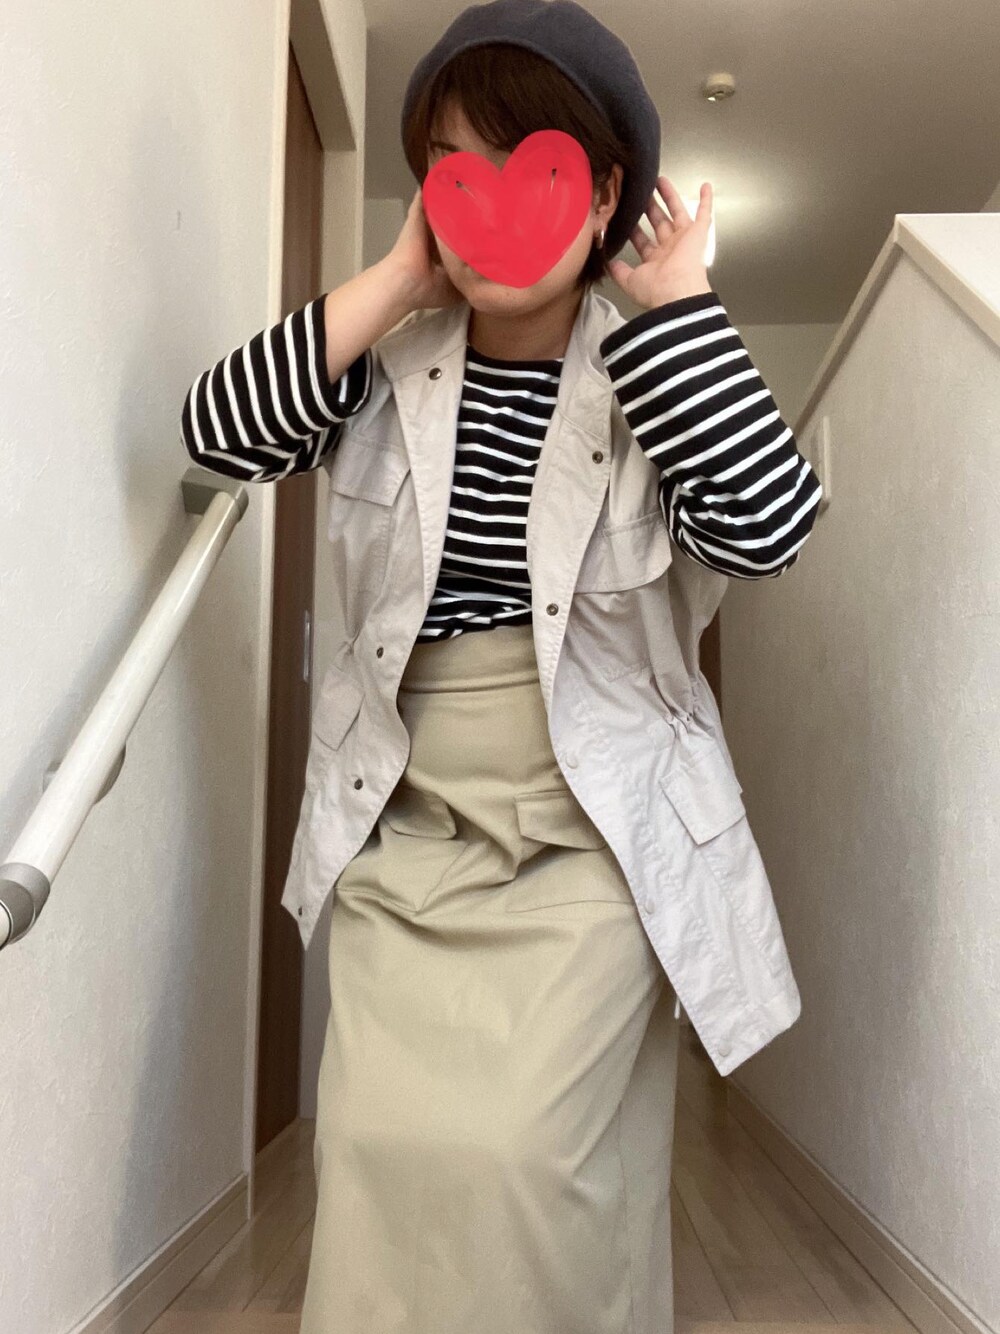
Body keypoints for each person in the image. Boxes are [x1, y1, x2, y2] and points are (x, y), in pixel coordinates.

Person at [179, 2, 823, 1329]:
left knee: (533, 1165)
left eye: (529, 167)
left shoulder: (655, 378)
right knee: (377, 1149)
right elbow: (216, 433)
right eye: (451, 170)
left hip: (597, 826)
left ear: (602, 194)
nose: (487, 204)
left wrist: (681, 311)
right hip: (407, 813)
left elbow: (769, 530)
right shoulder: (383, 372)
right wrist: (395, 283)